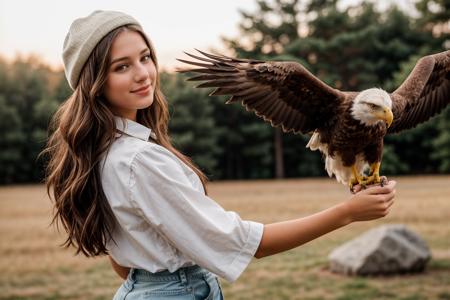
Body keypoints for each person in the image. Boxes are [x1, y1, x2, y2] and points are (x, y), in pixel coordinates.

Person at [43, 10, 396, 300]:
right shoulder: (139, 161)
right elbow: (241, 243)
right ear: (94, 83)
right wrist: (347, 213)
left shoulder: (103, 153)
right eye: (121, 66)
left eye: (145, 57)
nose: (143, 73)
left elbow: (123, 264)